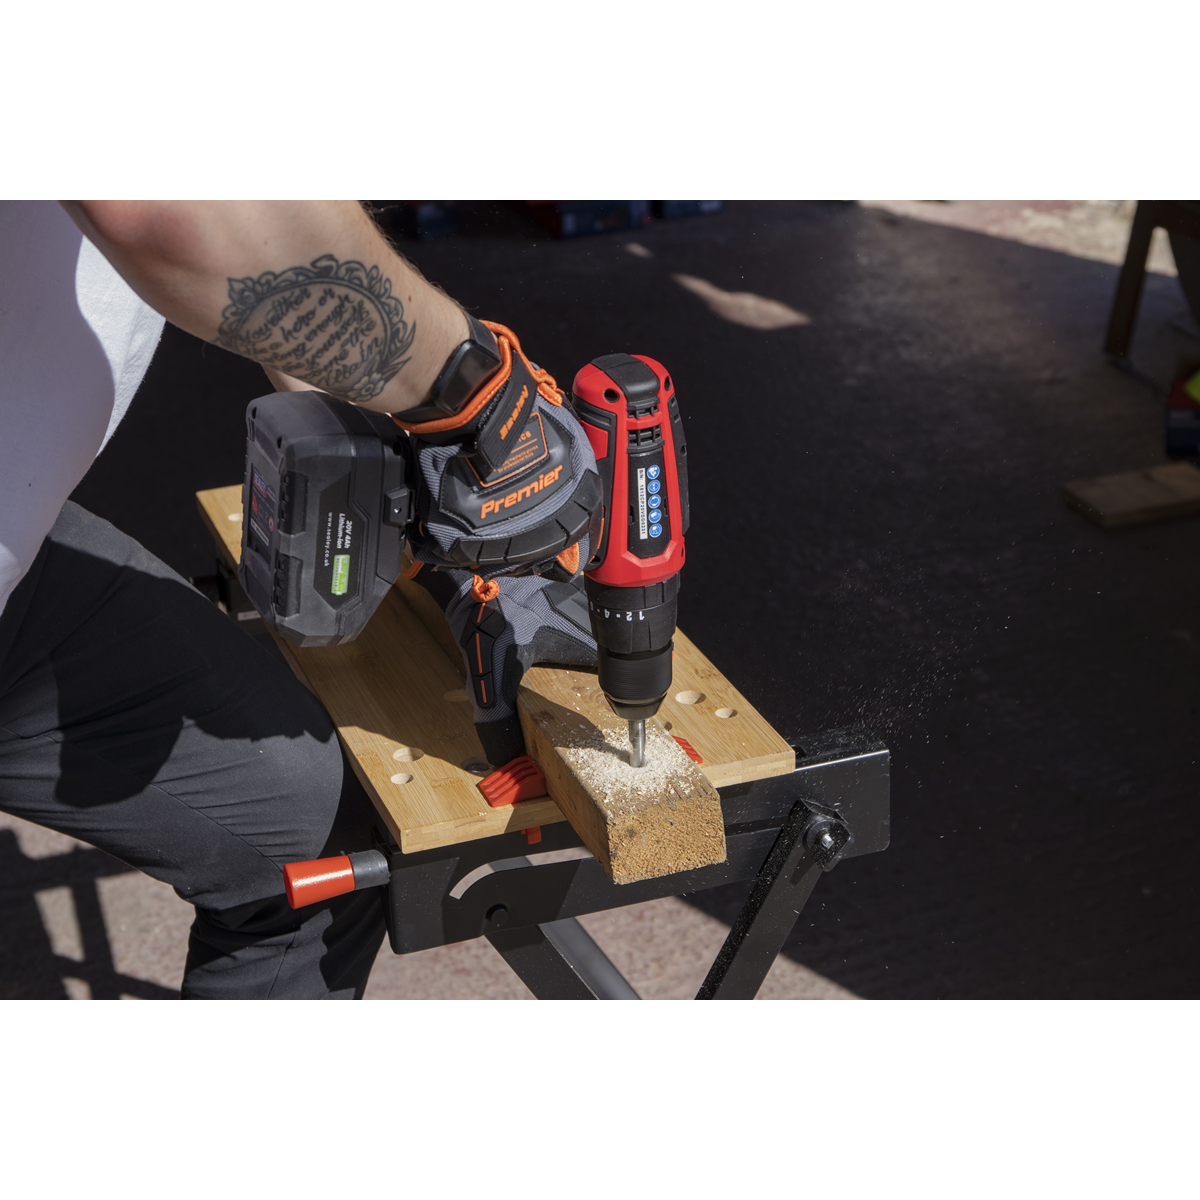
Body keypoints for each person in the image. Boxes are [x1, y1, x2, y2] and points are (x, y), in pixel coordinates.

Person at [0, 201, 596, 998]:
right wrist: (482, 394)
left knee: (303, 829)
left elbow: (264, 249)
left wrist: (416, 455)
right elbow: (177, 208)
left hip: (20, 548)